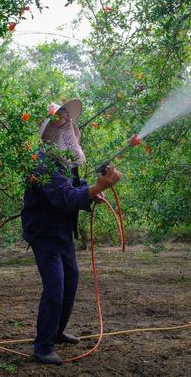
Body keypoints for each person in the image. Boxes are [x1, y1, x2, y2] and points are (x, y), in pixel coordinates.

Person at [21, 99, 121, 365]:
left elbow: (76, 186)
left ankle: (57, 332)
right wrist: (96, 189)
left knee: (71, 280)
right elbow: (63, 197)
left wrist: (91, 193)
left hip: (63, 230)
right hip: (44, 233)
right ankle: (42, 347)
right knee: (55, 286)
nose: (66, 127)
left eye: (67, 121)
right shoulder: (42, 164)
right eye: (59, 123)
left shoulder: (66, 163)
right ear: (50, 133)